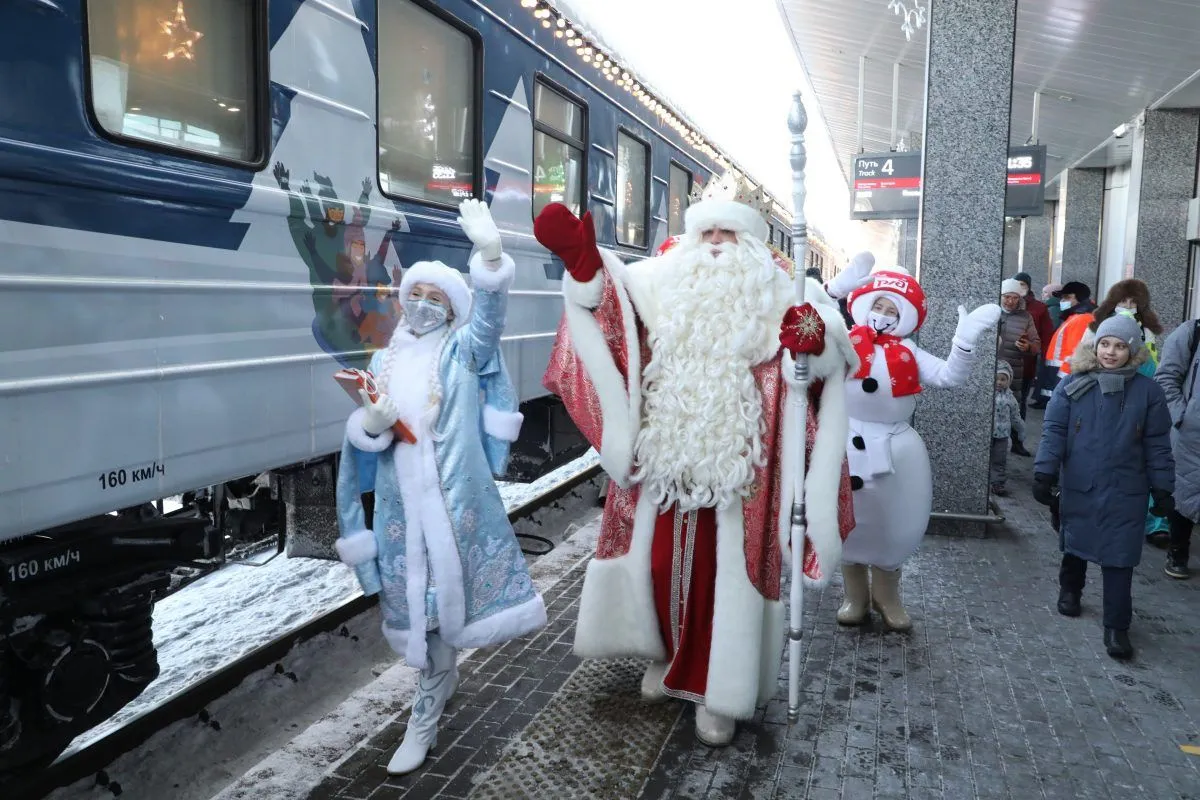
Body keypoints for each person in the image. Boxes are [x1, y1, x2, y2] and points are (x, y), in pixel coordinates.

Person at [536, 170, 859, 747]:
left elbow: (824, 354)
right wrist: (586, 270)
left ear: (753, 244)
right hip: (666, 464)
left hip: (743, 472)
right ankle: (662, 656)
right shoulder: (661, 284)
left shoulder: (781, 293)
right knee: (659, 568)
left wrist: (812, 345)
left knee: (722, 581)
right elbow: (617, 322)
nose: (714, 242)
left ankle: (718, 690)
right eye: (706, 231)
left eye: (727, 235)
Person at [334, 199, 546, 774]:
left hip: (453, 503)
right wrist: (371, 425)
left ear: (451, 311)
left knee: (439, 605)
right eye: (417, 298)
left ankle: (424, 715)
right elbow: (363, 435)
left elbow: (489, 325)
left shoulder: (461, 351)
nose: (425, 307)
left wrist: (492, 256)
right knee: (416, 601)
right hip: (402, 510)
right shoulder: (384, 360)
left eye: (437, 300)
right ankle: (442, 674)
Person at [821, 264, 1001, 631]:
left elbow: (949, 376)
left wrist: (963, 342)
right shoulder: (842, 342)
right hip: (845, 443)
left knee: (892, 521)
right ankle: (854, 595)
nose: (883, 316)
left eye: (893, 310)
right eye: (879, 306)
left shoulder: (910, 353)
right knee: (847, 522)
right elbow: (804, 344)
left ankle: (887, 596)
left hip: (893, 447)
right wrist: (828, 294)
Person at [1033, 315, 1174, 660]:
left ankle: (1117, 626)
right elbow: (1054, 431)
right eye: (1105, 344)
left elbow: (1157, 443)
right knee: (1076, 540)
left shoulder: (1148, 391)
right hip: (1081, 481)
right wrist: (1044, 473)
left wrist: (1163, 488)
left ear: (1133, 350)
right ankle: (1070, 589)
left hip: (1127, 488)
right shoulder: (1073, 385)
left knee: (1120, 556)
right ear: (1095, 346)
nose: (1111, 352)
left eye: (1120, 346)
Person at [1081, 279, 1169, 544]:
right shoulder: (1095, 329)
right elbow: (1083, 364)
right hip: (1102, 400)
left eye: (1133, 302)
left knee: (1145, 458)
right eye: (1123, 302)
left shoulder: (1149, 332)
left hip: (1140, 401)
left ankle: (1155, 523)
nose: (1128, 307)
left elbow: (1156, 366)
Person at [1153, 316, 1200, 580]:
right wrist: (1180, 415)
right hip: (1191, 433)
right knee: (1184, 490)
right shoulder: (1192, 332)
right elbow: (1166, 376)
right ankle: (1178, 550)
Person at [996, 278, 1040, 454]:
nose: (1010, 301)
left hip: (1014, 370)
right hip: (993, 369)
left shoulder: (1025, 317)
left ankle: (1017, 442)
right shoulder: (992, 313)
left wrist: (1028, 347)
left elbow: (1036, 343)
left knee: (1014, 407)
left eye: (1014, 297)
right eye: (1007, 297)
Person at [1038, 281, 1097, 406]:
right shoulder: (1075, 316)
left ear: (1079, 298)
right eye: (1062, 298)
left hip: (1064, 378)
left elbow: (1074, 353)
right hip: (1061, 376)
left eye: (1067, 297)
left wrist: (1062, 381)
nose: (1062, 301)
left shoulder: (1082, 318)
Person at [1014, 272, 1056, 411]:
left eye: (1023, 284)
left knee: (1020, 401)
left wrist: (1043, 357)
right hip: (1005, 360)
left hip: (1028, 361)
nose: (1020, 287)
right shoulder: (1007, 303)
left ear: (1028, 287)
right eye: (1017, 284)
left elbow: (1047, 335)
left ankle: (1018, 433)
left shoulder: (1039, 307)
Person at [991, 361, 1024, 497]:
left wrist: (1021, 430)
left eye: (1003, 379)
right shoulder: (988, 395)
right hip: (987, 433)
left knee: (999, 460)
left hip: (1003, 436)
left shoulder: (1010, 398)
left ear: (1008, 380)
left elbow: (1015, 416)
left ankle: (998, 483)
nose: (999, 382)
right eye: (997, 378)